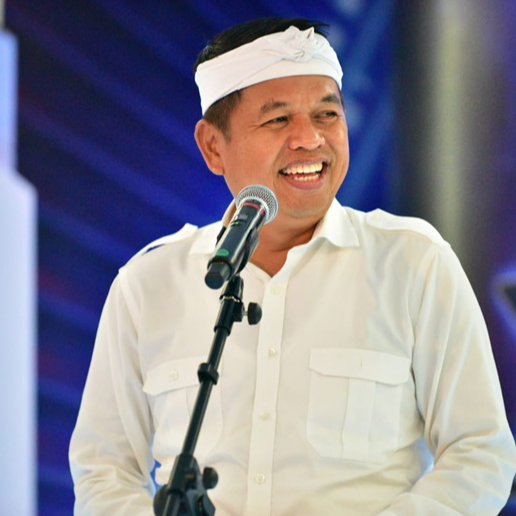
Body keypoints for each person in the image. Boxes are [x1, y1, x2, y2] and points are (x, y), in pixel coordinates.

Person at [69, 17, 516, 516]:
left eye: (327, 114)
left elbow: (480, 453)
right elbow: (104, 470)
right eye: (278, 120)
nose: (309, 138)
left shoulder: (414, 263)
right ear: (213, 146)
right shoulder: (148, 284)